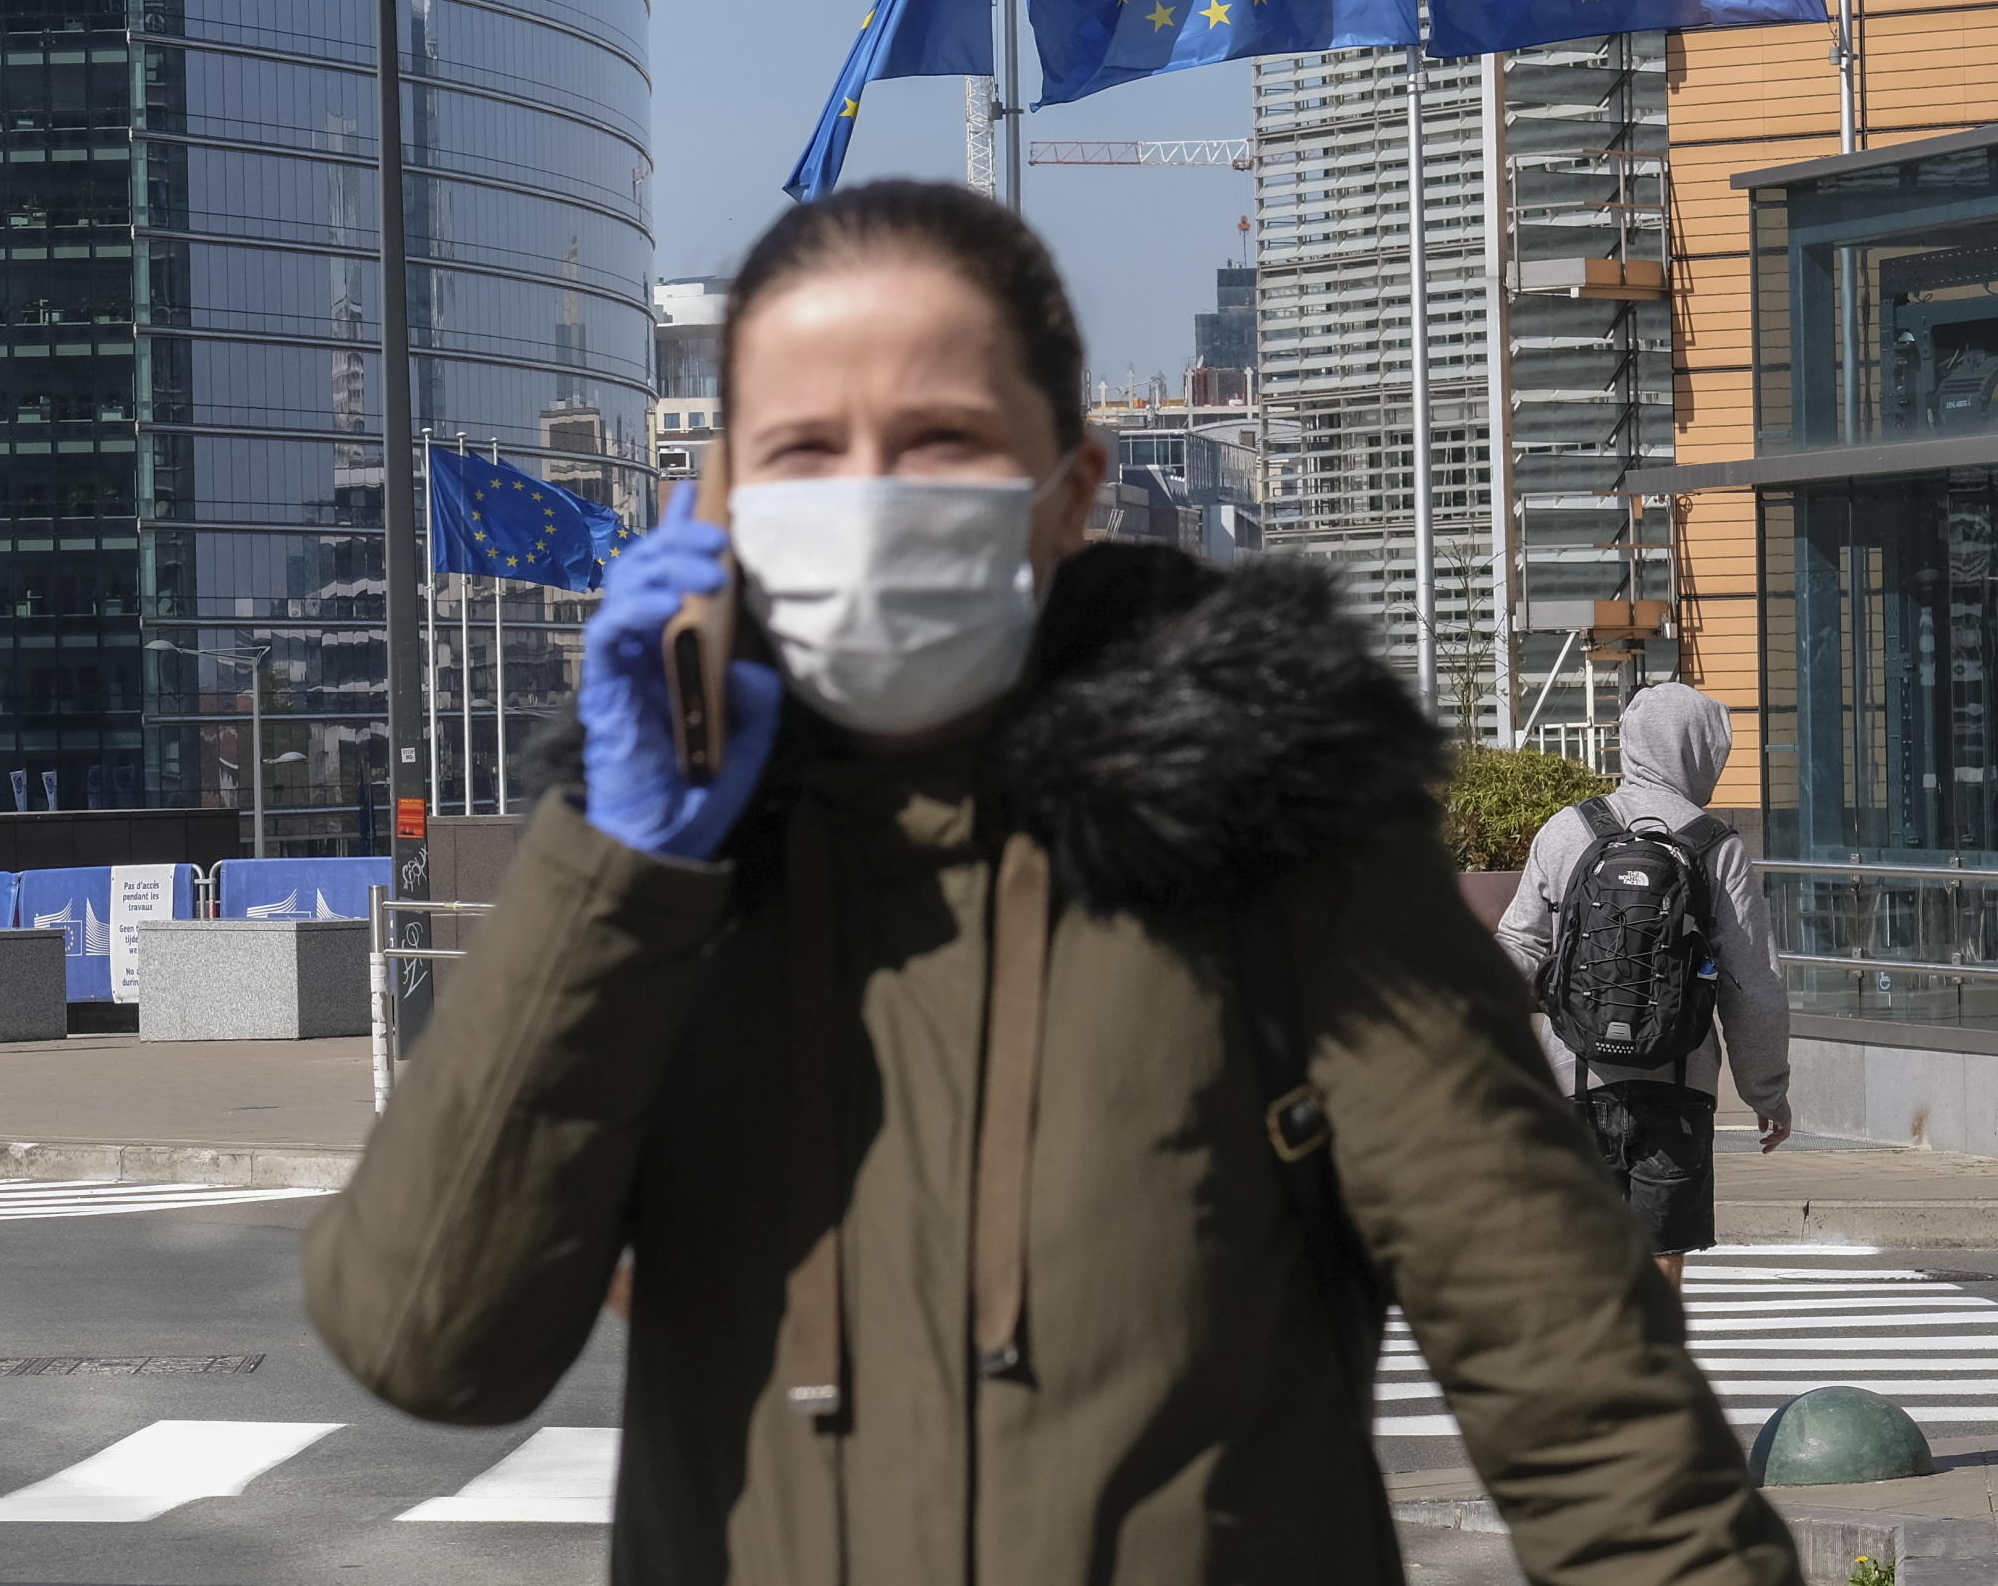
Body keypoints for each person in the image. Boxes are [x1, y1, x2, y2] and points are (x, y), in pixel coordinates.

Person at [302, 182, 1793, 1584]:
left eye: (941, 440)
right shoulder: (658, 892)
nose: (871, 495)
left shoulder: (1280, 848)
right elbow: (430, 1338)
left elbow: (1586, 1408)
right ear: (715, 506)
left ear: (1072, 490)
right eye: (805, 449)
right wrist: (613, 853)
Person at [1498, 684, 1793, 1285]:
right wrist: (1767, 1092)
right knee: (1661, 1255)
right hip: (1678, 1087)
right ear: (1699, 752)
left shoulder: (1569, 830)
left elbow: (1519, 945)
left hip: (1573, 1078)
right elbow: (1751, 984)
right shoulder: (1716, 846)